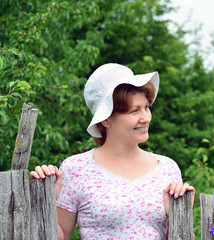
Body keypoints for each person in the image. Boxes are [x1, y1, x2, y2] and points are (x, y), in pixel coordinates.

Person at [30, 63, 195, 240]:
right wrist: (44, 200)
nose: (146, 118)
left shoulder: (167, 168)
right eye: (134, 111)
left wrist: (179, 215)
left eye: (146, 107)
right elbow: (60, 235)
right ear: (106, 119)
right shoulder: (76, 168)